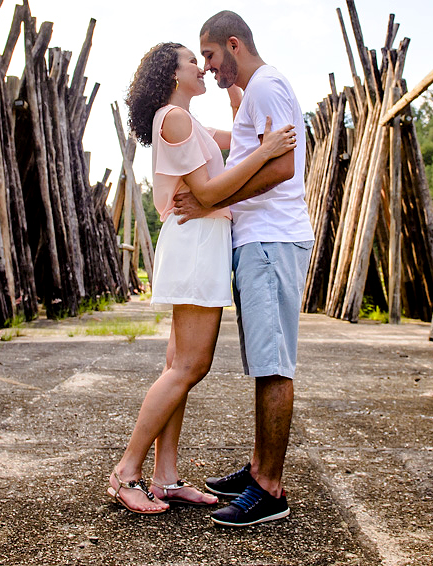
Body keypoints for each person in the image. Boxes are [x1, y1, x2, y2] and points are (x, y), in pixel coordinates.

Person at [107, 41, 297, 514]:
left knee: (179, 364)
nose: (201, 67)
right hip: (195, 244)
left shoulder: (186, 121)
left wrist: (242, 102)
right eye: (193, 61)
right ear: (172, 75)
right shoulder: (174, 118)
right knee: (190, 366)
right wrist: (268, 150)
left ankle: (165, 477)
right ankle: (126, 473)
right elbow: (210, 190)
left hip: (200, 241)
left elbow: (232, 139)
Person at [173, 10, 313, 527]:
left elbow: (282, 166)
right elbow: (254, 149)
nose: (207, 68)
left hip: (272, 240)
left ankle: (270, 489)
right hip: (260, 240)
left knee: (274, 365)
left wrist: (212, 202)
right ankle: (258, 469)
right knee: (263, 361)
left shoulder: (267, 86)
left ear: (233, 45)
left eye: (209, 55)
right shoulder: (255, 93)